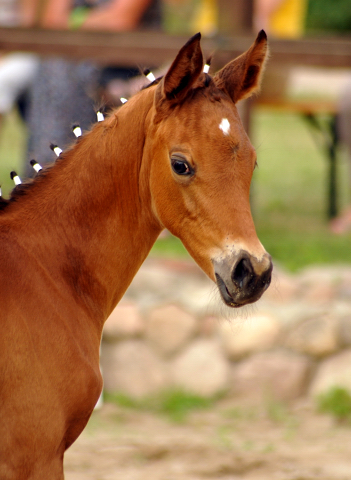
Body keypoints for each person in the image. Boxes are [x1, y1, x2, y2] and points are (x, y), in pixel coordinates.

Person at [23, 0, 161, 175]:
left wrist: (74, 20)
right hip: (69, 65)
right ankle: (47, 172)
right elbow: (52, 21)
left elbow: (119, 21)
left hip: (125, 66)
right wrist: (92, 21)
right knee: (56, 67)